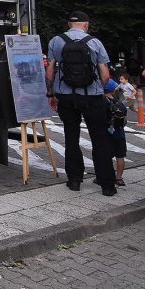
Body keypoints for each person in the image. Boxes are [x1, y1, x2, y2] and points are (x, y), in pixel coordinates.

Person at [45, 11, 116, 195]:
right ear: (86, 24)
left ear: (69, 24)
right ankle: (107, 184)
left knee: (71, 137)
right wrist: (99, 89)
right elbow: (105, 75)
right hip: (92, 97)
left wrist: (51, 93)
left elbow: (50, 71)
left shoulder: (56, 41)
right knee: (99, 139)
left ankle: (75, 180)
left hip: (66, 97)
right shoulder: (95, 42)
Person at [101, 79, 128, 187]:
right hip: (120, 132)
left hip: (106, 133)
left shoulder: (102, 102)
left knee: (105, 156)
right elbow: (124, 119)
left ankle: (107, 176)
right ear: (113, 91)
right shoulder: (120, 103)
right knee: (120, 156)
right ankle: (119, 178)